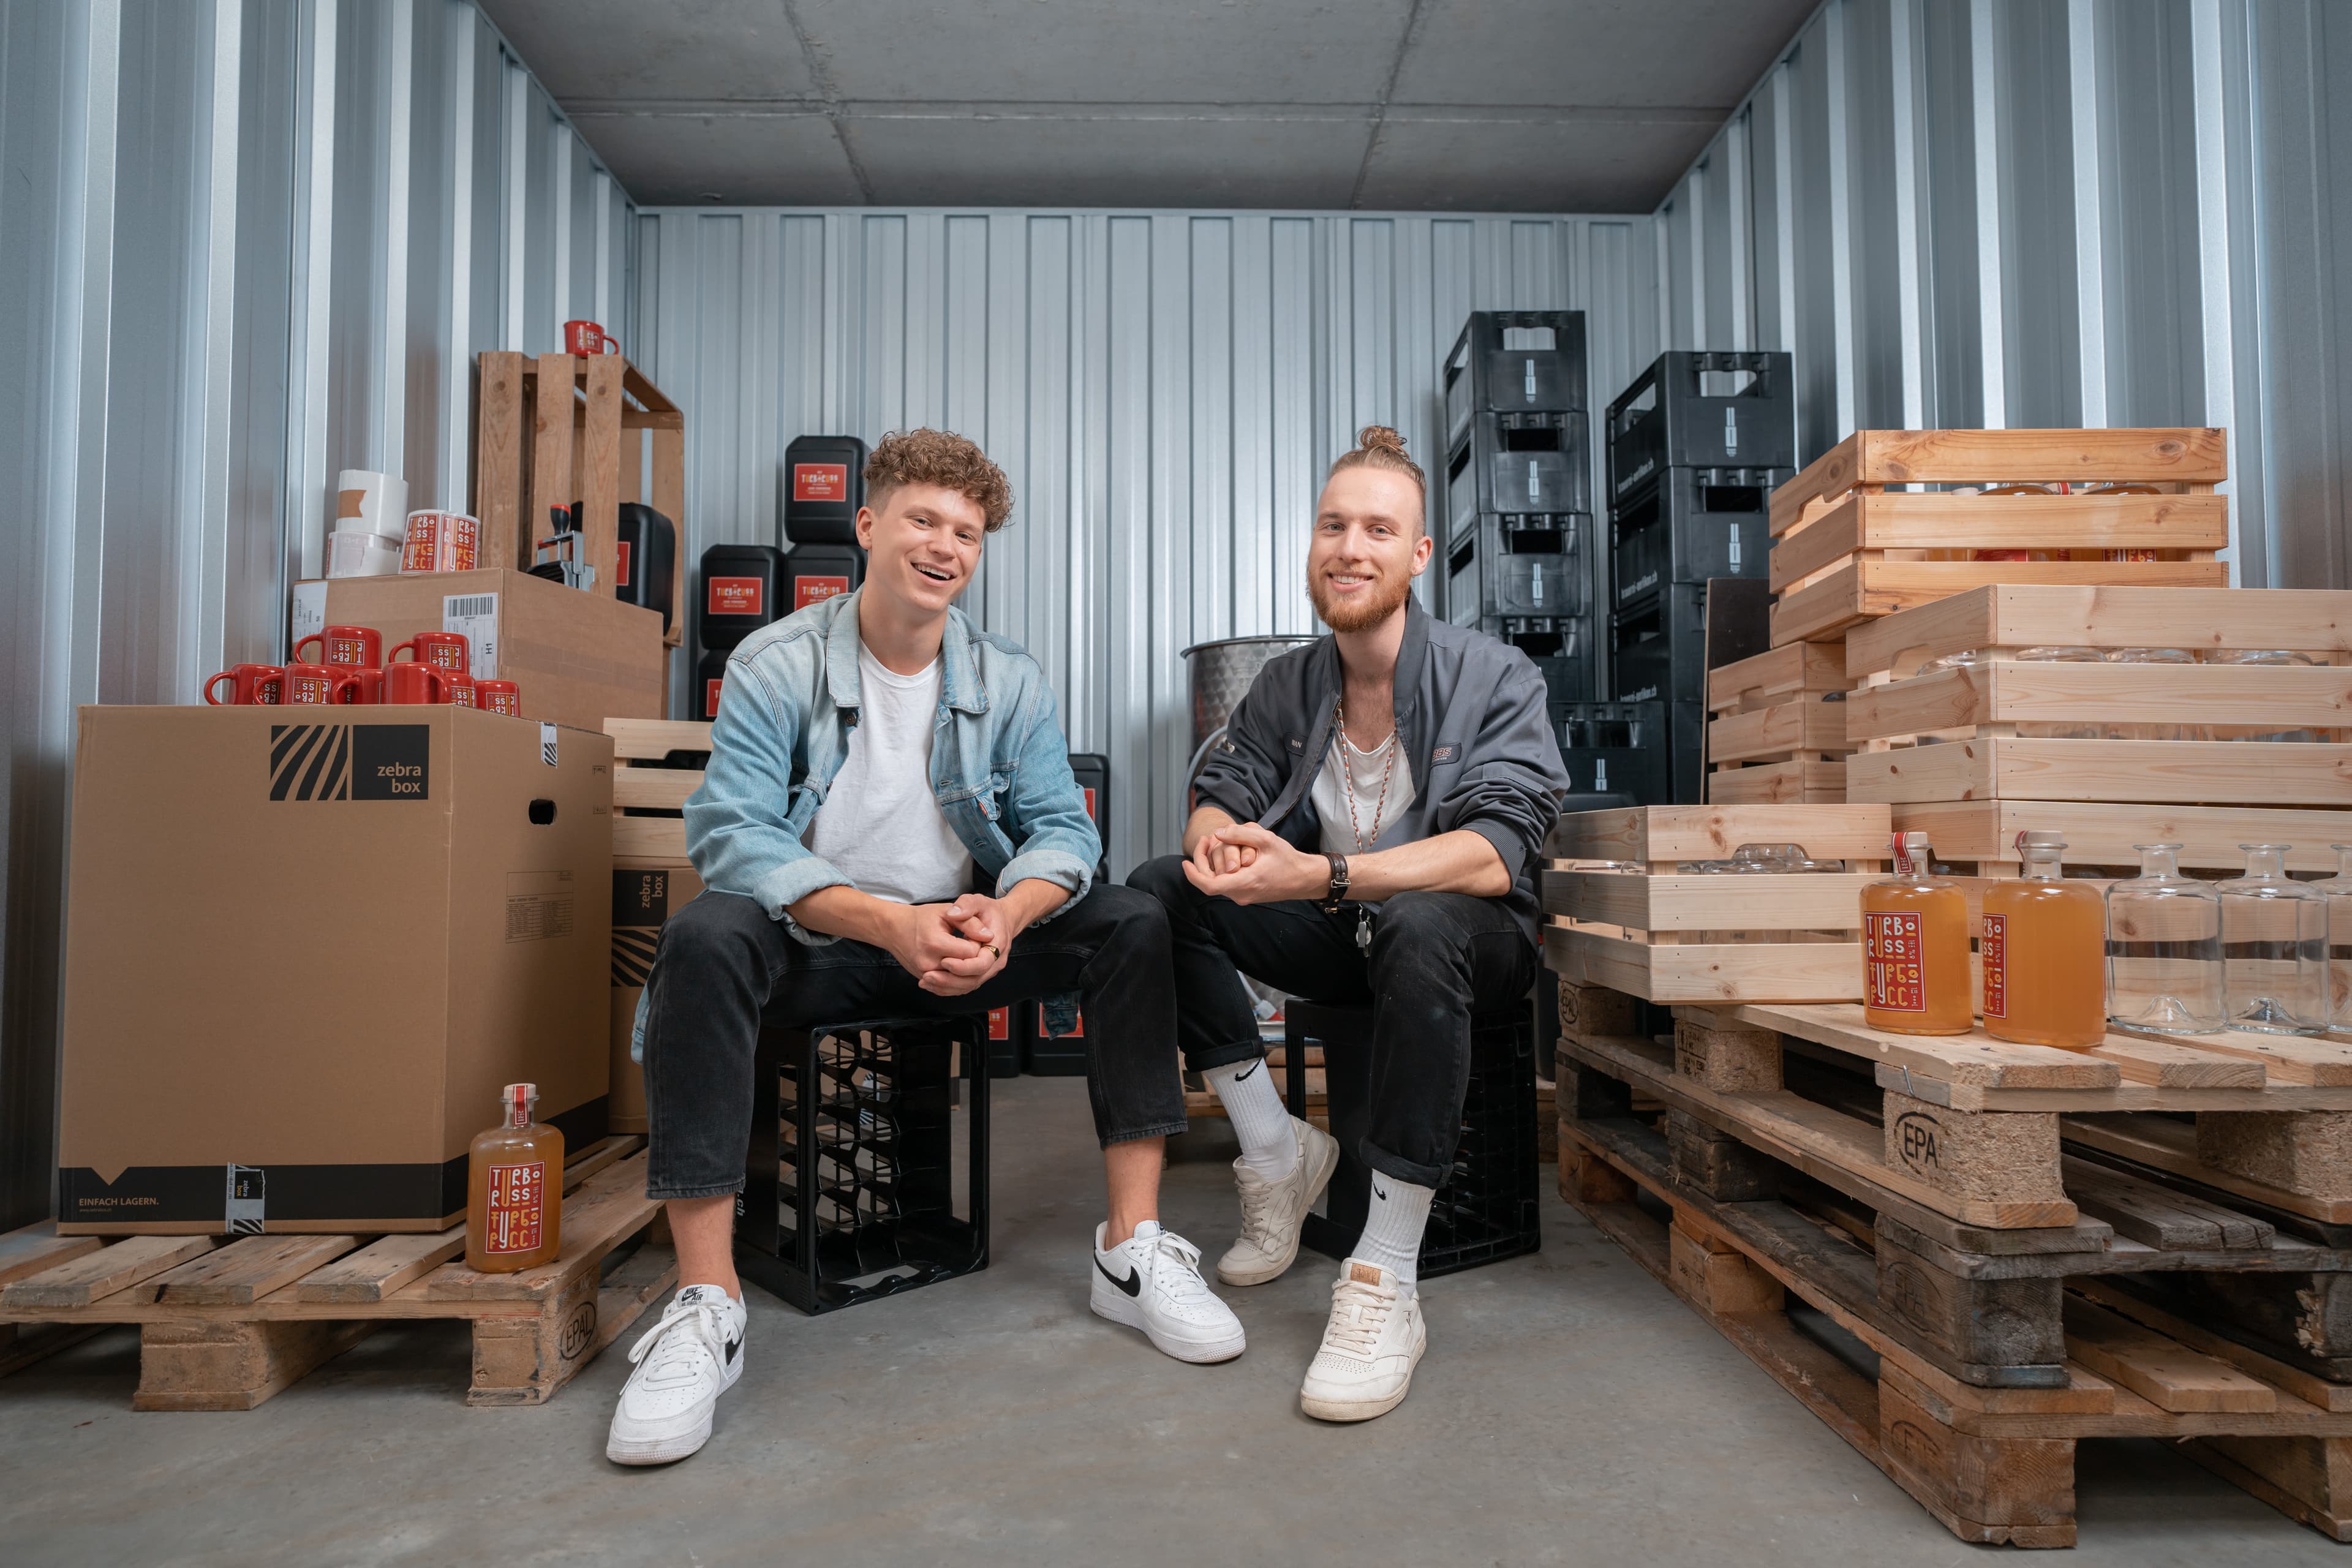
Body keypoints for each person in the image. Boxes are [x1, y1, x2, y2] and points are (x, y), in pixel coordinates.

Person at [609, 429, 1241, 1466]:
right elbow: (731, 835)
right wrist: (885, 921)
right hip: (829, 947)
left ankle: (1131, 1249)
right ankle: (704, 1307)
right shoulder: (779, 663)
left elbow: (1063, 831)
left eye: (967, 532)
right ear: (868, 526)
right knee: (705, 933)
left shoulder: (1009, 680)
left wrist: (1007, 915)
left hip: (963, 946)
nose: (945, 546)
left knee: (1133, 918)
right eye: (923, 521)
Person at [1129, 425, 1569, 1423]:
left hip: (1471, 944)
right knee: (1159, 890)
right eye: (1335, 524)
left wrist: (1324, 874)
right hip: (1342, 931)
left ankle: (1385, 1277)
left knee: (1417, 918)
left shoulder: (1494, 675)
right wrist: (1218, 842)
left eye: (1379, 528)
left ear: (1418, 556)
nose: (1350, 548)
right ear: (1313, 542)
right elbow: (1224, 782)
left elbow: (1498, 852)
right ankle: (1279, 1156)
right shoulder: (1290, 682)